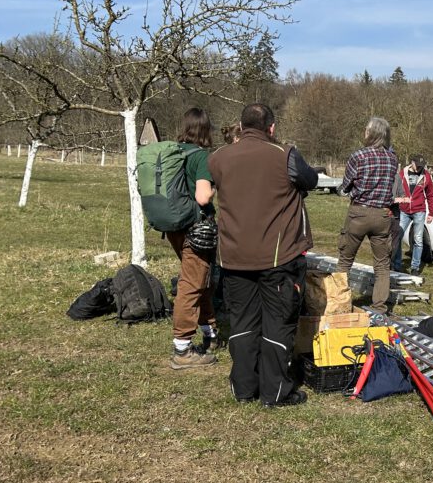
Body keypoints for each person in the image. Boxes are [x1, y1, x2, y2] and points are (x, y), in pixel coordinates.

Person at [209, 103, 317, 407]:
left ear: (242, 127)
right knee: (277, 322)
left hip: (233, 257)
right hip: (277, 256)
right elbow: (310, 180)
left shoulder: (218, 158)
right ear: (271, 127)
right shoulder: (284, 154)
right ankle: (276, 390)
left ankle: (243, 387)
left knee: (242, 322)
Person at [167, 108, 219, 370]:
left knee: (202, 280)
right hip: (196, 229)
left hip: (174, 227)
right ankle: (182, 348)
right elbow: (202, 197)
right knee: (191, 284)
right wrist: (213, 185)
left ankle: (210, 333)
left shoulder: (174, 152)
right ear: (205, 129)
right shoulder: (200, 157)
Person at [338, 117, 398, 313]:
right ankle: (380, 307)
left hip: (359, 213)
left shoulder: (358, 156)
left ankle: (340, 302)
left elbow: (345, 187)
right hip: (382, 215)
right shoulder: (393, 159)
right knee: (382, 264)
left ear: (371, 134)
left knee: (346, 260)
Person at [393, 154, 433, 274]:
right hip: (403, 210)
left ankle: (415, 267)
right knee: (398, 236)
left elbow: (430, 195)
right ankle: (397, 265)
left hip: (419, 210)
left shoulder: (426, 176)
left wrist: (431, 212)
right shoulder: (402, 174)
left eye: (422, 166)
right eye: (418, 165)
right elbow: (395, 190)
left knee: (418, 239)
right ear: (412, 162)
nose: (420, 168)